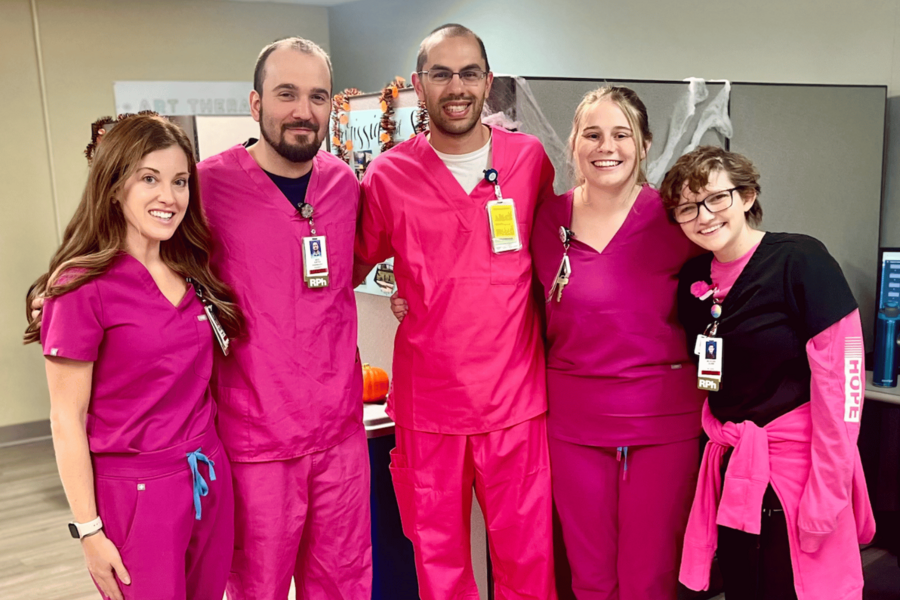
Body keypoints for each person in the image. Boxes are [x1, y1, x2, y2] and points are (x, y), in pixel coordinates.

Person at [354, 23, 557, 600]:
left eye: (469, 72)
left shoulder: (529, 161)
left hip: (514, 404)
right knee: (438, 563)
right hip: (428, 407)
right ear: (419, 85)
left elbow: (554, 258)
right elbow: (349, 264)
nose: (457, 86)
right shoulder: (389, 174)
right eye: (441, 74)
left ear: (488, 82)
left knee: (528, 562)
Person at [24, 113, 242, 600]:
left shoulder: (191, 269)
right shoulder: (79, 287)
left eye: (180, 181)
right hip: (136, 493)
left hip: (207, 472)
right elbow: (65, 418)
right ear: (114, 185)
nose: (170, 197)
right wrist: (89, 530)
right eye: (150, 178)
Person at [660, 146, 876, 600]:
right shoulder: (695, 278)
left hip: (799, 469)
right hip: (733, 466)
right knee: (744, 588)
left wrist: (828, 490)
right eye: (687, 206)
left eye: (716, 198)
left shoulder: (801, 260)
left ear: (747, 195)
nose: (704, 215)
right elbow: (710, 376)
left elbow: (843, 385)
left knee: (797, 587)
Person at [197, 37, 371, 600]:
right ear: (255, 104)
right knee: (257, 588)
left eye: (317, 96)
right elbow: (136, 253)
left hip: (339, 435)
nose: (303, 110)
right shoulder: (206, 188)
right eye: (286, 94)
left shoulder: (345, 186)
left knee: (343, 584)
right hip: (256, 439)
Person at [530, 86, 704, 599]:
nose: (607, 146)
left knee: (649, 574)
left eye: (621, 134)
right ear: (574, 145)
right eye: (593, 134)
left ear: (644, 144)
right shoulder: (546, 220)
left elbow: (737, 266)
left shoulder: (679, 219)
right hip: (573, 422)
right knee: (590, 574)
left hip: (662, 422)